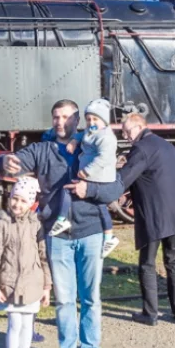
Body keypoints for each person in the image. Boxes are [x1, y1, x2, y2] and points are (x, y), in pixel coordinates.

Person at [0, 100, 122, 348]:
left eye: (66, 116)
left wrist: (89, 188)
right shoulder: (42, 149)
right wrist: (4, 161)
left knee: (91, 297)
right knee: (64, 300)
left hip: (90, 230)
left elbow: (117, 185)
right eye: (55, 116)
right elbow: (15, 161)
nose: (60, 121)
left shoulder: (93, 144)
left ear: (77, 119)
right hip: (57, 234)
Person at [68, 112, 175, 327]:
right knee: (173, 262)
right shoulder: (167, 145)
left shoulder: (141, 149)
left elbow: (122, 181)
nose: (125, 136)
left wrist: (93, 189)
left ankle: (150, 313)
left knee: (146, 263)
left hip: (155, 216)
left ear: (138, 128)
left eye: (126, 131)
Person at [0, 176, 51, 348]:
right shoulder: (3, 223)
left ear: (31, 203)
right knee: (14, 324)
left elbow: (43, 256)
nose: (18, 204)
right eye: (15, 198)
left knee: (27, 326)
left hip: (33, 283)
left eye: (23, 201)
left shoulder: (36, 224)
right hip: (10, 283)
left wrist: (47, 286)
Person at [52, 98, 120, 257]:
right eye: (89, 119)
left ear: (104, 121)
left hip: (98, 176)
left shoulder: (106, 137)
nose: (91, 122)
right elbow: (83, 134)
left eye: (95, 119)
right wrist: (74, 141)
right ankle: (109, 237)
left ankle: (63, 220)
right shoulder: (92, 132)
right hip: (92, 174)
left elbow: (104, 158)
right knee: (99, 205)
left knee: (97, 204)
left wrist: (87, 171)